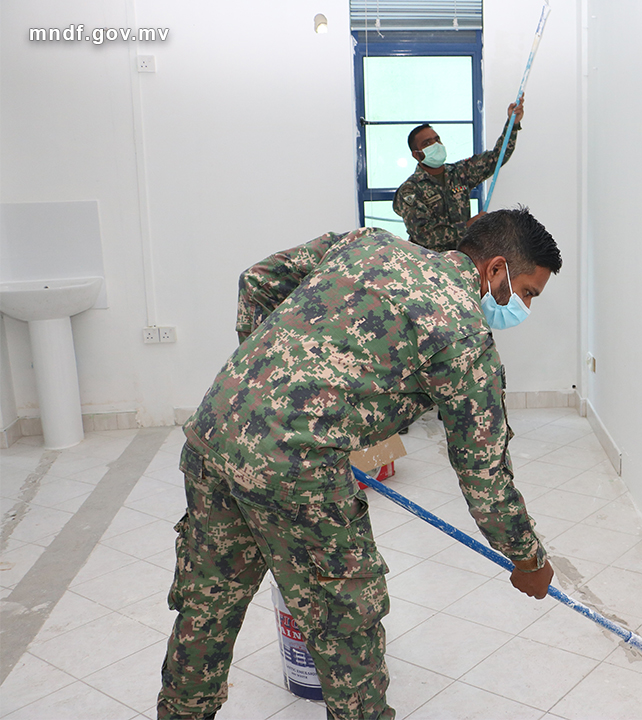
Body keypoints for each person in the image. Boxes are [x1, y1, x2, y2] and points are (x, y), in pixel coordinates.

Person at [158, 207, 560, 720]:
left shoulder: (369, 242)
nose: (522, 306)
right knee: (348, 635)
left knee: (205, 611)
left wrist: (270, 392)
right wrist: (528, 558)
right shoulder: (462, 333)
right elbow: (484, 474)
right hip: (294, 471)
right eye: (527, 292)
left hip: (214, 431)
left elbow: (257, 280)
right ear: (497, 270)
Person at [392, 97, 524, 253]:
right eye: (427, 143)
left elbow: (497, 157)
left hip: (462, 260)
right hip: (429, 265)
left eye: (437, 139)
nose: (435, 145)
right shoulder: (410, 190)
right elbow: (424, 235)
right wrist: (469, 226)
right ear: (416, 154)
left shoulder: (459, 173)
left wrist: (512, 124)